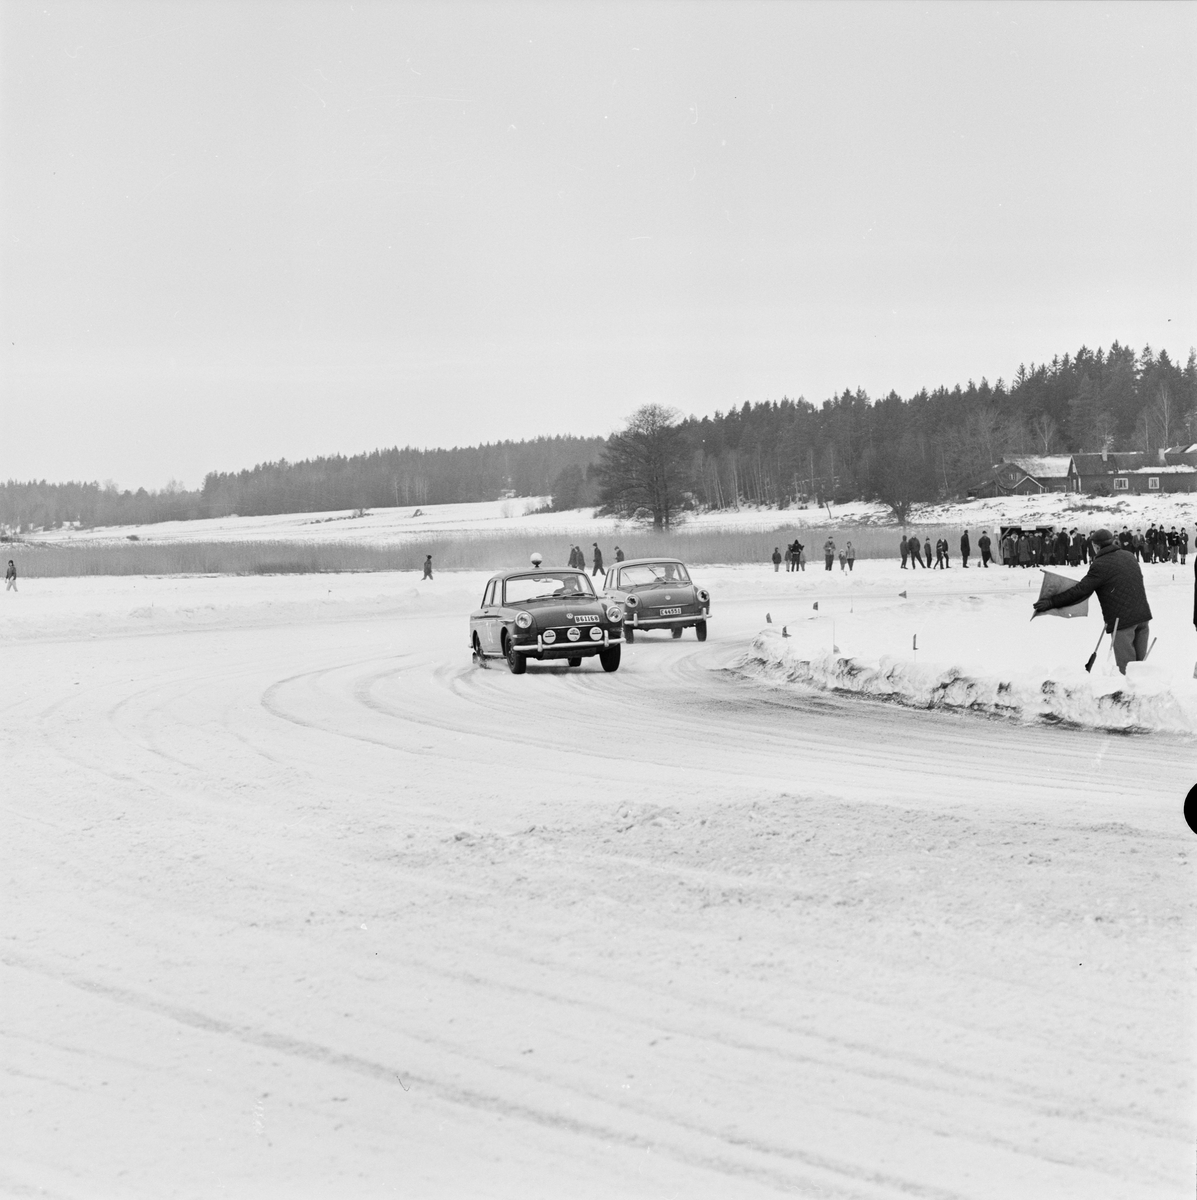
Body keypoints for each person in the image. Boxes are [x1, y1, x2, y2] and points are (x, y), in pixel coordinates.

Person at [1034, 527, 1152, 674]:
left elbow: (1080, 591)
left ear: (1096, 546)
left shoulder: (1100, 565)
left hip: (1122, 623)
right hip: (1143, 617)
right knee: (1140, 669)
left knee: (1127, 672)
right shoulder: (1129, 556)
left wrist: (1052, 602)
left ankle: (1132, 696)